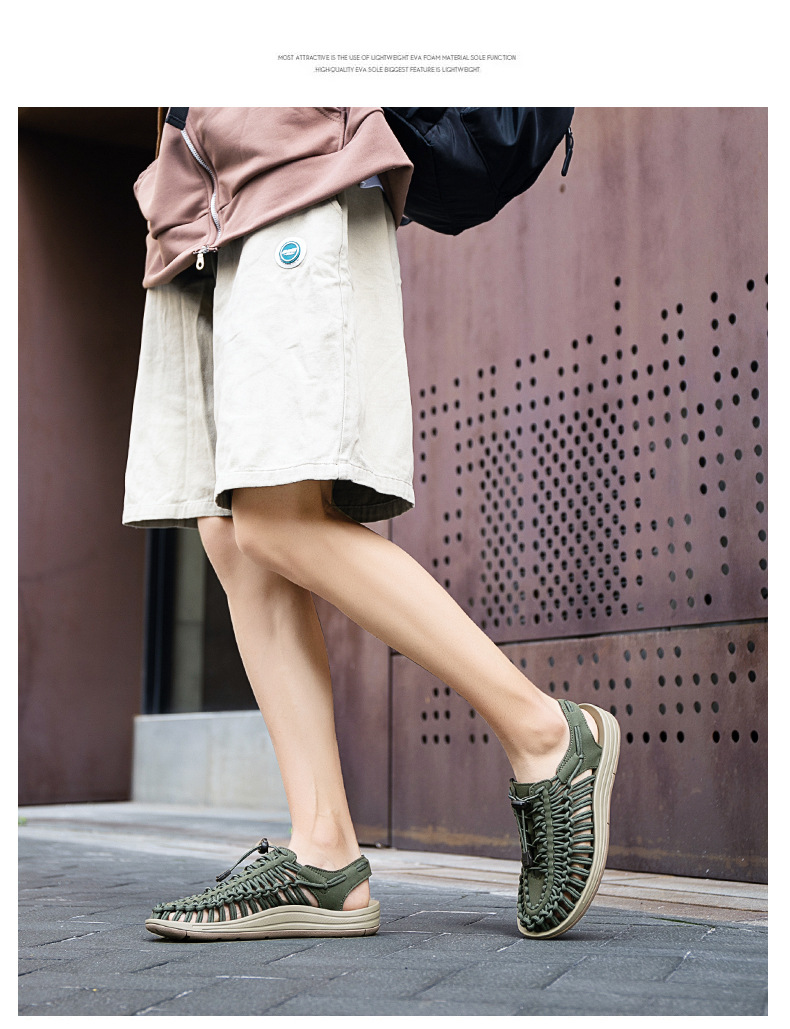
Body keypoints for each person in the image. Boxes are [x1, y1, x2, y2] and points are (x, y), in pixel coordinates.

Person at [123, 107, 620, 943]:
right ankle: (323, 851)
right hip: (191, 206)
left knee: (277, 520)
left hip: (290, 166)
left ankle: (544, 731)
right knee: (231, 530)